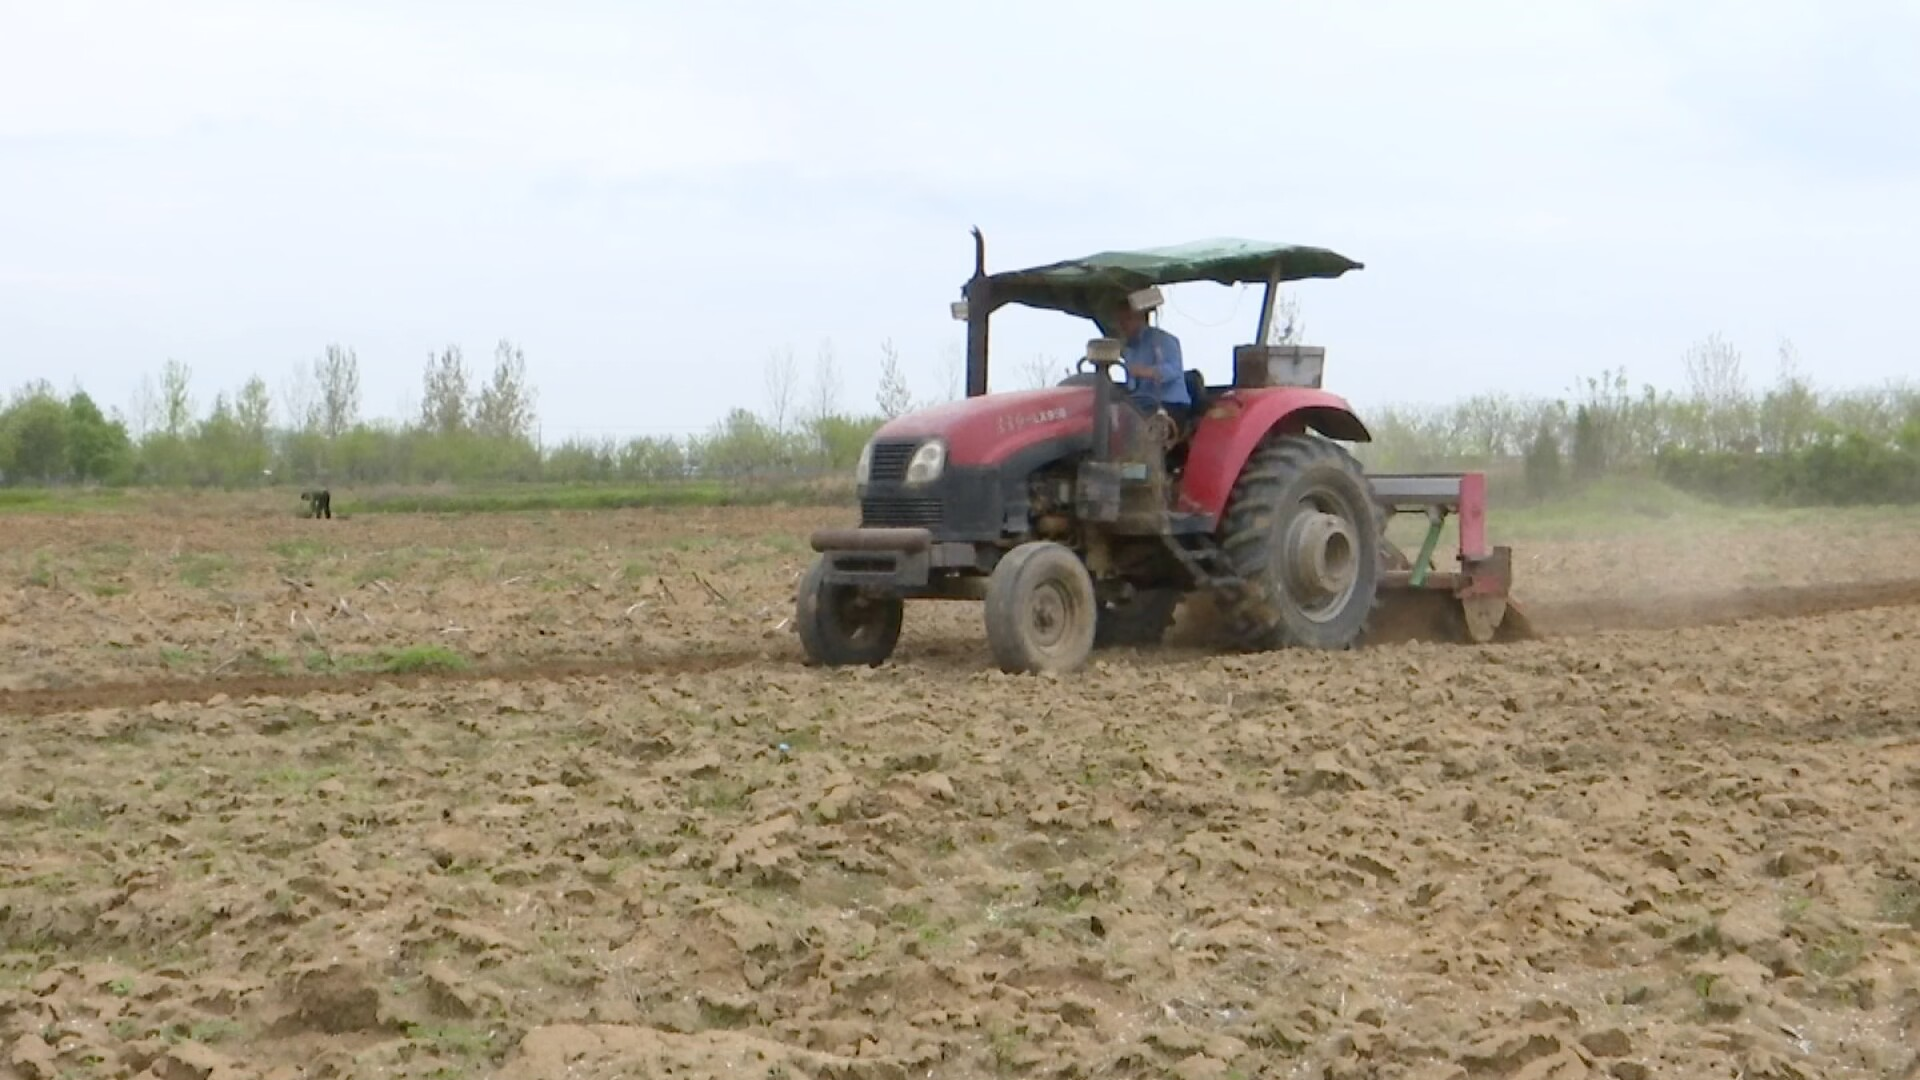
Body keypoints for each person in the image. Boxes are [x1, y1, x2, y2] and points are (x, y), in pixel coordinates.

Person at [1112, 293, 1191, 430]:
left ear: (1140, 318)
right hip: (1140, 404)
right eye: (1120, 321)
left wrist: (1146, 371)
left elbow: (1173, 371)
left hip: (1169, 404)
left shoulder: (1163, 340)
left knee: (1137, 427)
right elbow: (1132, 386)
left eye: (1127, 319)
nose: (1122, 325)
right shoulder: (1128, 348)